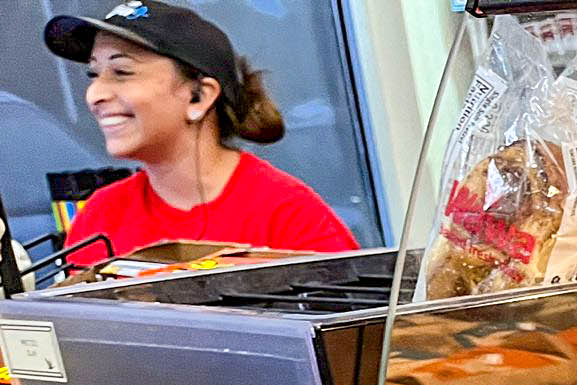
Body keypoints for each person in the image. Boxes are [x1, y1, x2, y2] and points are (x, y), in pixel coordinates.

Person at [42, 1, 355, 264]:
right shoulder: (100, 217)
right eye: (93, 74)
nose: (94, 95)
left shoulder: (288, 215)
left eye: (122, 72)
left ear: (199, 97)